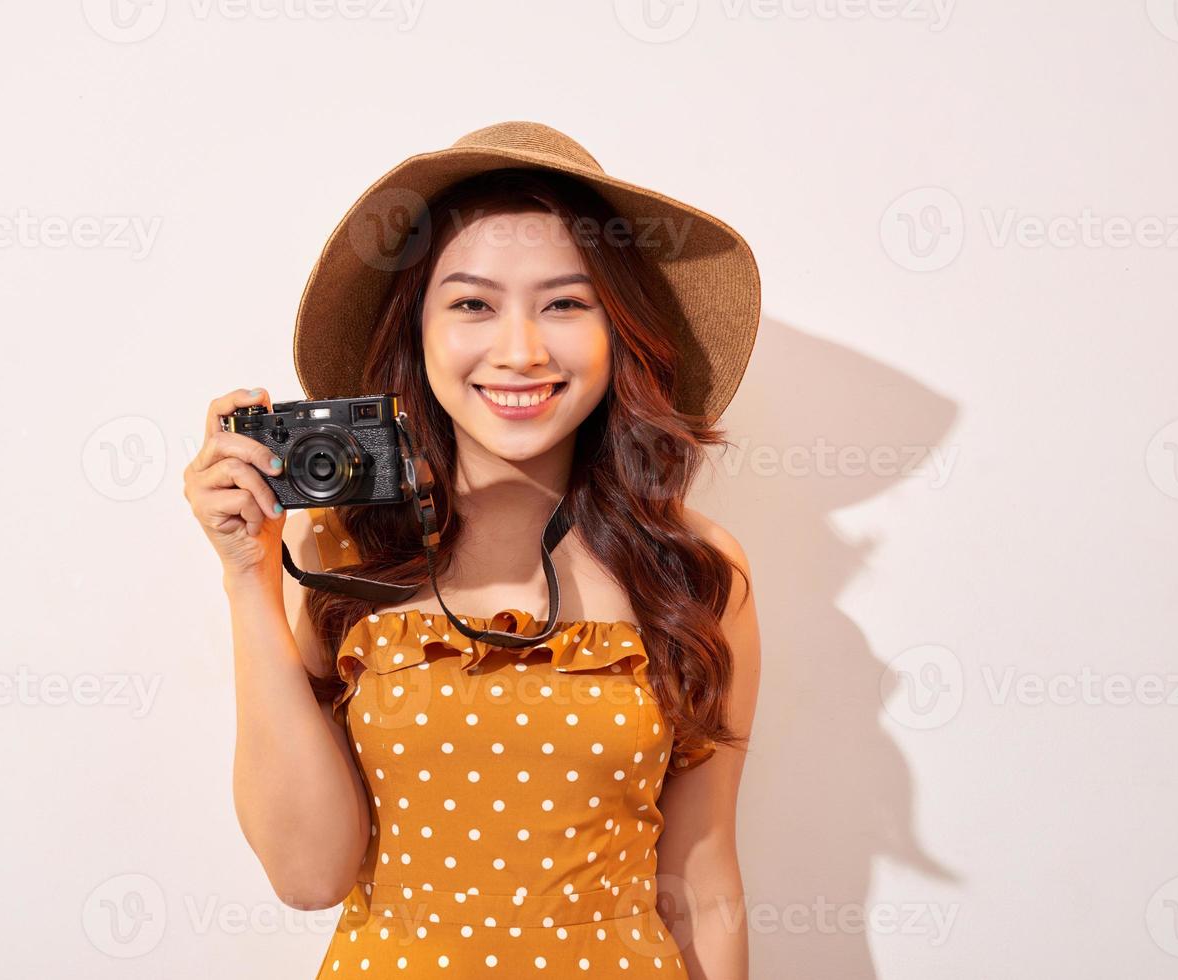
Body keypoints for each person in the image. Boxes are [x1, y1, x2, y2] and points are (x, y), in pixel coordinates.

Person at [185, 121, 763, 978]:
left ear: (620, 332)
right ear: (416, 331)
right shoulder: (335, 549)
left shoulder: (691, 570)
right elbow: (309, 877)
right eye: (471, 304)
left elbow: (703, 881)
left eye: (565, 303)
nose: (520, 350)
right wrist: (247, 577)